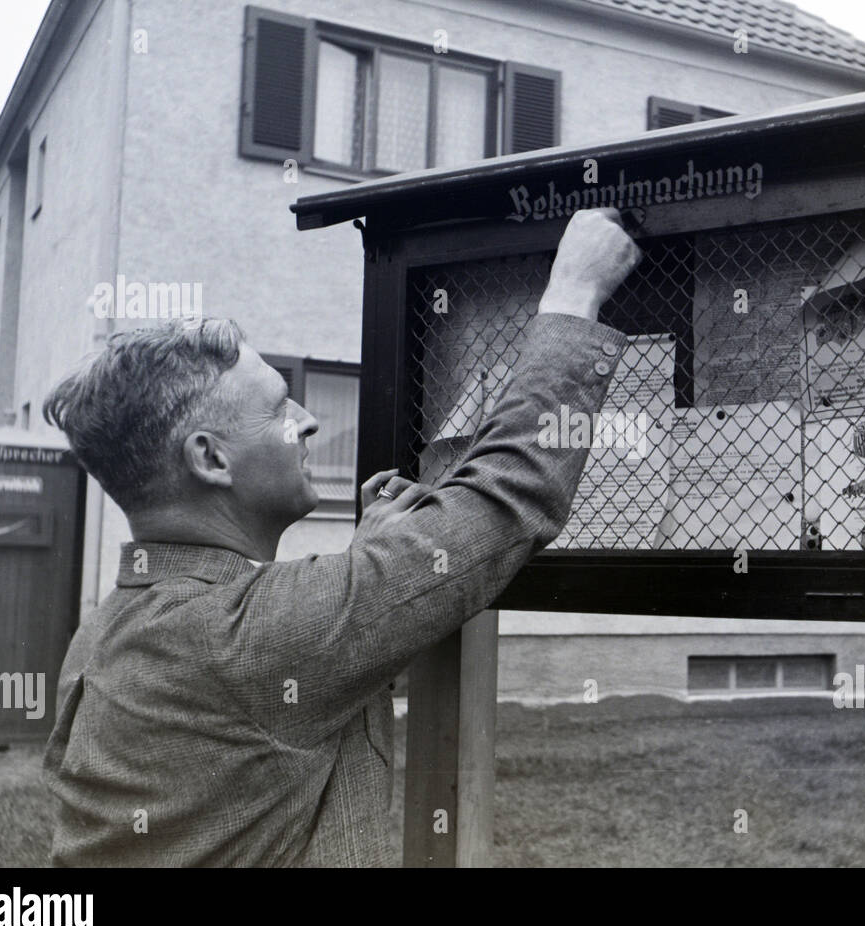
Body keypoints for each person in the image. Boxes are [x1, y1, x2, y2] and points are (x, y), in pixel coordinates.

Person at [41, 209, 642, 866]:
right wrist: (574, 296)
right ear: (210, 459)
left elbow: (282, 659)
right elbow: (503, 500)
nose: (306, 421)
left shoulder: (105, 630)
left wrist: (366, 563)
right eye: (278, 409)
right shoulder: (258, 635)